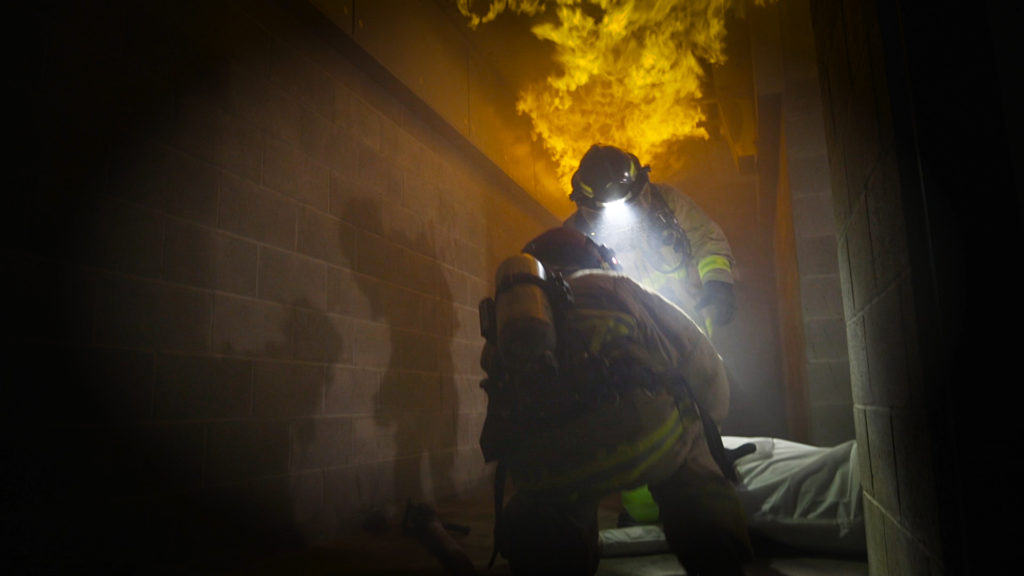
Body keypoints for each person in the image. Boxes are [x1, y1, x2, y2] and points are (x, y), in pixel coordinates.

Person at [477, 227, 752, 575]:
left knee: (551, 503)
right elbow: (701, 360)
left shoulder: (507, 327)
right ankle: (718, 561)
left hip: (546, 465)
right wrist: (709, 423)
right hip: (644, 442)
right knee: (692, 452)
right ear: (596, 261)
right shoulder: (613, 286)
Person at [564, 144, 737, 337]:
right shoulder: (575, 238)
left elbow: (706, 239)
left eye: (630, 203)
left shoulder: (667, 201)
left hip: (694, 332)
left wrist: (717, 283)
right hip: (633, 345)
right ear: (586, 205)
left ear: (641, 187)